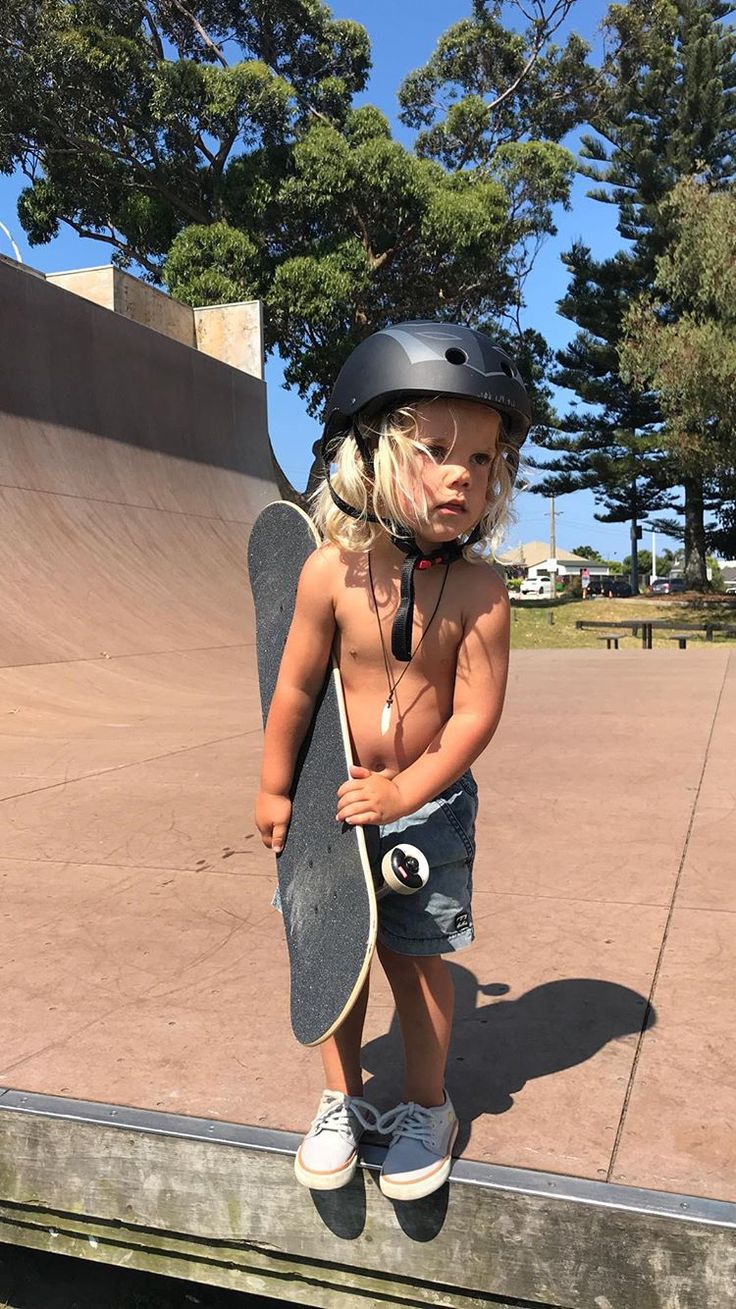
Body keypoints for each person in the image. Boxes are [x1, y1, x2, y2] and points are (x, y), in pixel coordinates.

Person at [255, 322, 531, 1201]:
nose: (463, 475)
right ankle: (340, 1098)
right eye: (438, 450)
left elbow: (474, 718)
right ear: (370, 454)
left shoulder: (484, 592)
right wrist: (272, 783)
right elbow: (294, 690)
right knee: (330, 952)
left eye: (483, 460)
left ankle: (424, 1104)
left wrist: (407, 788)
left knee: (417, 961)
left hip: (426, 810)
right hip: (334, 799)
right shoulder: (329, 574)